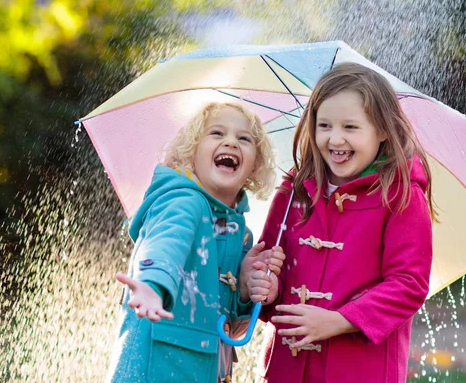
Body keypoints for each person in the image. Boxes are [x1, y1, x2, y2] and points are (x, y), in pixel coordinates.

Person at [247, 63, 435, 383]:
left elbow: (408, 284)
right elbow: (269, 266)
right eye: (324, 125)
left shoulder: (401, 197)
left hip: (360, 370)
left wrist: (339, 320)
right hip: (287, 368)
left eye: (350, 127)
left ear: (383, 131)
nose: (335, 139)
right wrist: (264, 286)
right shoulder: (294, 191)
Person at [106, 102, 284, 383]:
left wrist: (246, 289)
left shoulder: (242, 235)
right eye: (216, 133)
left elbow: (230, 329)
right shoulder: (183, 202)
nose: (230, 142)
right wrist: (153, 284)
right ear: (190, 154)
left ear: (255, 166)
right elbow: (165, 244)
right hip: (158, 371)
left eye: (244, 139)